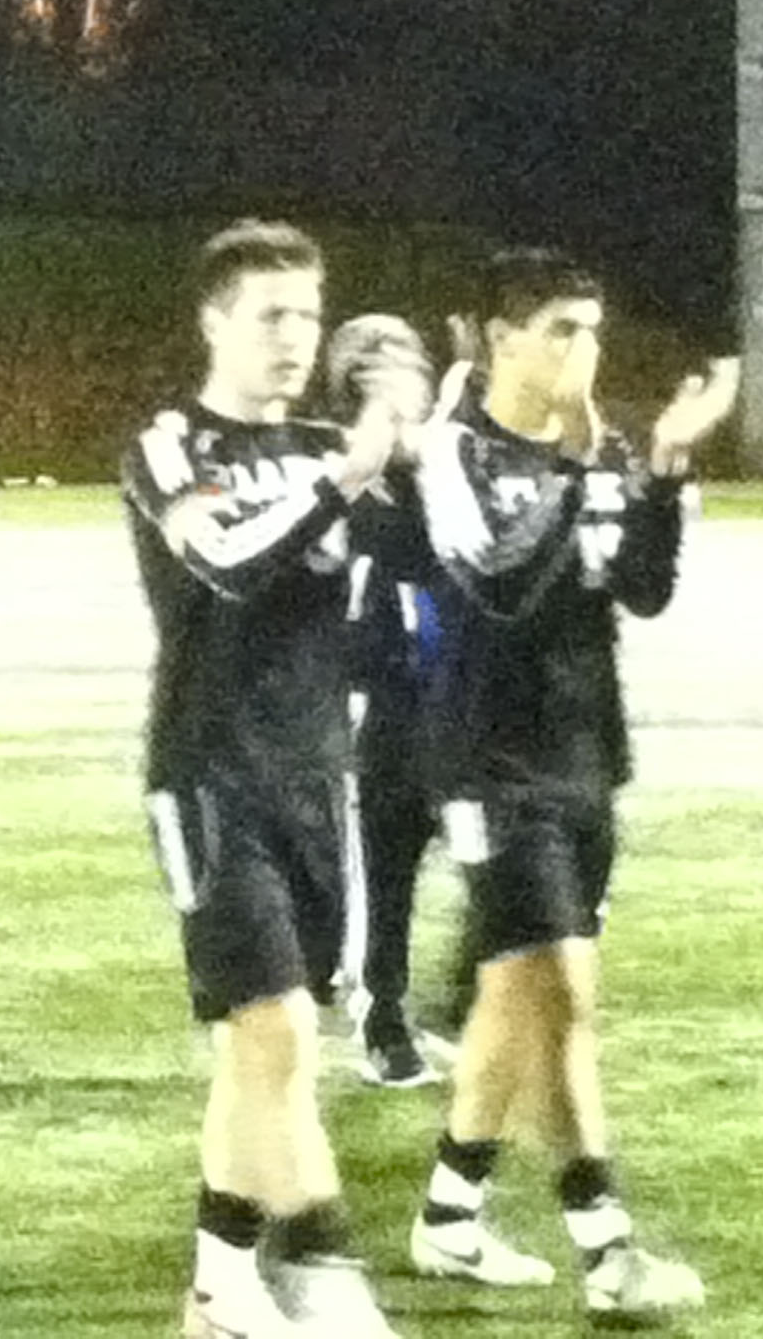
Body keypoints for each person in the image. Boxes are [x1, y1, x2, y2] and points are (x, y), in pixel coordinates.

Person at [404, 248, 734, 1320]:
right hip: (487, 761)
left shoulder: (602, 449)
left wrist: (667, 471)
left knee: (514, 991)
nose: (582, 353)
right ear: (500, 339)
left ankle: (449, 1216)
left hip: (586, 755)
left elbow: (641, 591)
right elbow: (494, 579)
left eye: (590, 331)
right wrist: (586, 476)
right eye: (559, 329)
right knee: (562, 993)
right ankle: (608, 1244)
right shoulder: (453, 450)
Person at [121, 220, 410, 1338]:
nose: (295, 338)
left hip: (312, 775)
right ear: (214, 322)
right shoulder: (166, 443)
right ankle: (327, 1277)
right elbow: (226, 562)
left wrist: (420, 435)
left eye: (308, 315)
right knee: (277, 1029)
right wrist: (346, 476)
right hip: (205, 773)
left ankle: (219, 1287)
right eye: (269, 316)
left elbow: (424, 569)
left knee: (265, 1044)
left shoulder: (329, 446)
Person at [322, 313, 447, 1088]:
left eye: (412, 373)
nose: (404, 387)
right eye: (382, 374)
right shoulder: (337, 474)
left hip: (450, 691)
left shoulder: (440, 472)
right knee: (384, 859)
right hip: (377, 694)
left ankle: (464, 1000)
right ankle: (383, 1012)